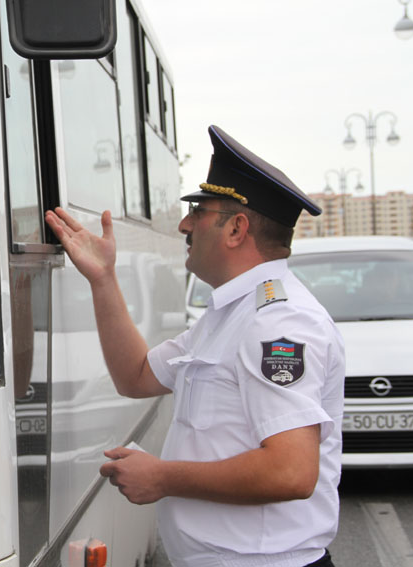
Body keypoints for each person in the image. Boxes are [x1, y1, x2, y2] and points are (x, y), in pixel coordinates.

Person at [45, 125, 345, 567]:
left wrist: (163, 477)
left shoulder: (278, 321)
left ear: (237, 228)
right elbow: (137, 376)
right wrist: (103, 278)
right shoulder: (232, 312)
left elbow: (291, 471)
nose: (185, 224)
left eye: (200, 211)